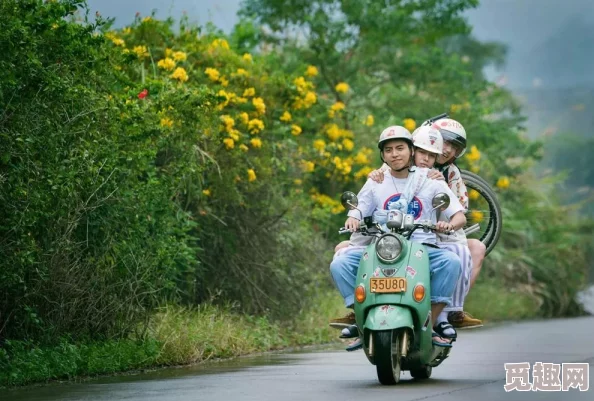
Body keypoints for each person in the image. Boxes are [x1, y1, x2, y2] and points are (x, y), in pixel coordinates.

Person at [328, 125, 466, 350]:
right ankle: (360, 317)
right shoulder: (376, 180)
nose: (395, 154)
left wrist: (448, 224)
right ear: (383, 155)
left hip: (422, 245)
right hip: (383, 247)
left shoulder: (430, 179)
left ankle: (430, 322)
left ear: (411, 150)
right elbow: (358, 209)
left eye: (400, 148)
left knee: (451, 263)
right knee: (340, 263)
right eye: (389, 150)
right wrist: (352, 219)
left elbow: (459, 216)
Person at [364, 118, 485, 329]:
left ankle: (448, 312)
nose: (447, 150)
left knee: (462, 254)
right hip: (391, 234)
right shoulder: (395, 164)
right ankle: (358, 309)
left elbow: (458, 210)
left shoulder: (448, 175)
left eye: (452, 147)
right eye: (444, 143)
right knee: (344, 252)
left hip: (433, 232)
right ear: (413, 150)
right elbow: (373, 195)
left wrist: (439, 187)